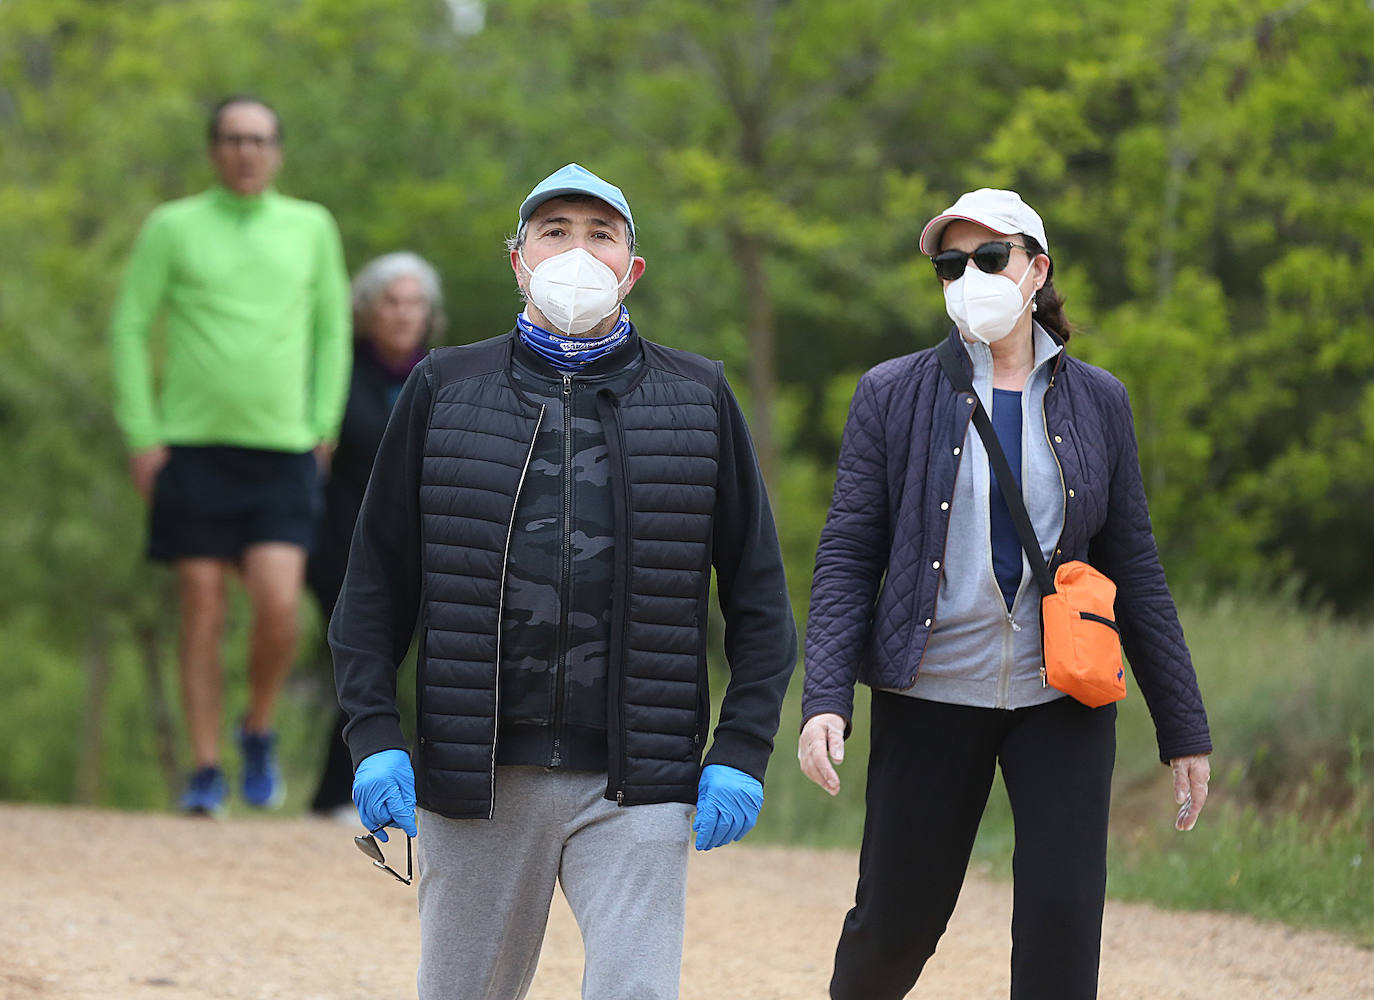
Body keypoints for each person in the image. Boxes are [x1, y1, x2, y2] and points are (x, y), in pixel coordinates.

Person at [330, 163, 796, 1000]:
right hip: (475, 777)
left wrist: (742, 749)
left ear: (631, 267)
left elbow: (759, 598)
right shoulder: (444, 387)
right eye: (555, 233)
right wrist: (372, 737)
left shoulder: (699, 396)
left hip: (639, 780)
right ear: (519, 261)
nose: (577, 252)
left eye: (600, 235)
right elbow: (373, 587)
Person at [798, 188, 1213, 999]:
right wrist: (826, 699)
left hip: (1062, 696)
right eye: (952, 265)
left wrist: (1183, 725)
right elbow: (848, 555)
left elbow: (1137, 567)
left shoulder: (1102, 401)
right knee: (896, 926)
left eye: (991, 258)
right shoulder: (892, 392)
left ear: (1037, 271)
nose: (969, 276)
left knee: (1063, 924)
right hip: (929, 694)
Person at [108, 95, 351, 815]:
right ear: (214, 149)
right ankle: (207, 768)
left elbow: (333, 331)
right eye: (233, 139)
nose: (247, 151)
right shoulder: (172, 226)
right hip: (191, 450)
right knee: (202, 609)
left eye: (260, 139)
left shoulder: (310, 226)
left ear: (277, 151)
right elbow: (128, 327)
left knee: (280, 607)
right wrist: (141, 433)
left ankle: (258, 727)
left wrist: (322, 425)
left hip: (282, 451)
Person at [306, 251, 446, 818]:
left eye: (415, 303)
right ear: (367, 311)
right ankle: (339, 791)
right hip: (339, 545)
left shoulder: (438, 376)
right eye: (392, 302)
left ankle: (349, 792)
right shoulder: (337, 375)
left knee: (418, 665)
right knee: (365, 658)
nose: (404, 313)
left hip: (419, 551)